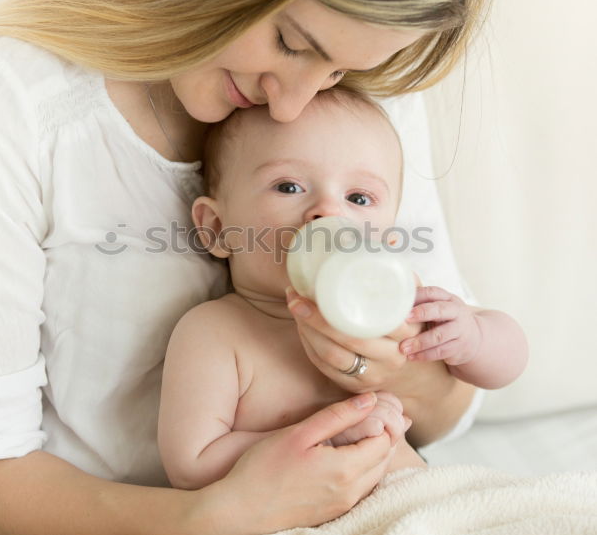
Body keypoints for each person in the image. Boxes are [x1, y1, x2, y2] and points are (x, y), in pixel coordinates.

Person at [0, 0, 498, 535]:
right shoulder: (10, 99)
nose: (298, 100)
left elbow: (446, 409)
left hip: (362, 531)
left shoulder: (365, 99)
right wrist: (222, 514)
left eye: (339, 70)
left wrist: (387, 367)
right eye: (292, 41)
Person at [158, 89, 527, 490]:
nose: (329, 212)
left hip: (412, 507)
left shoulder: (395, 308)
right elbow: (191, 466)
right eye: (288, 187)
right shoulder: (215, 333)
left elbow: (511, 364)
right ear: (217, 227)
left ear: (387, 240)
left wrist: (472, 338)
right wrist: (331, 436)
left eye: (358, 197)